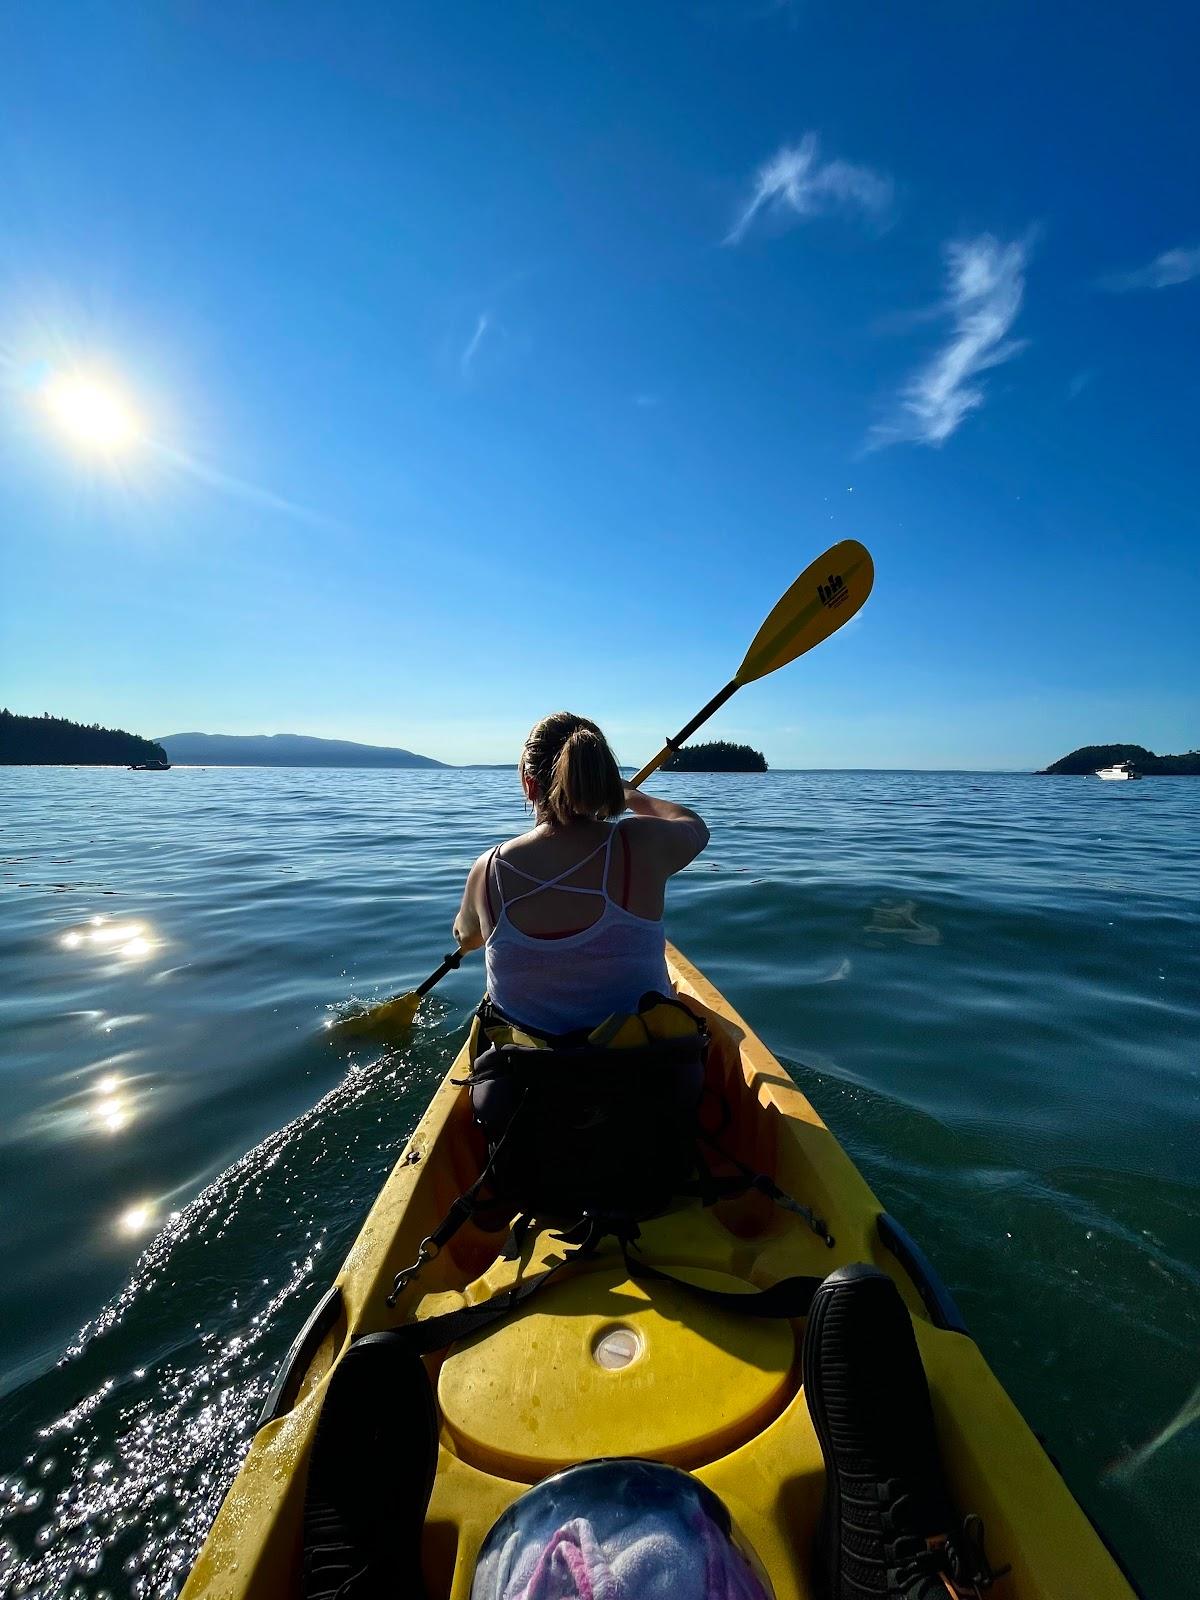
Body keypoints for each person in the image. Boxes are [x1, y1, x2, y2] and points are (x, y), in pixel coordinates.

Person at [453, 711, 709, 1036]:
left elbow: (468, 937)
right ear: (602, 781)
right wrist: (632, 796)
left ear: (530, 786)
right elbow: (695, 826)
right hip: (645, 1074)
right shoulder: (639, 844)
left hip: (530, 1078)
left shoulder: (488, 869)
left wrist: (467, 931)